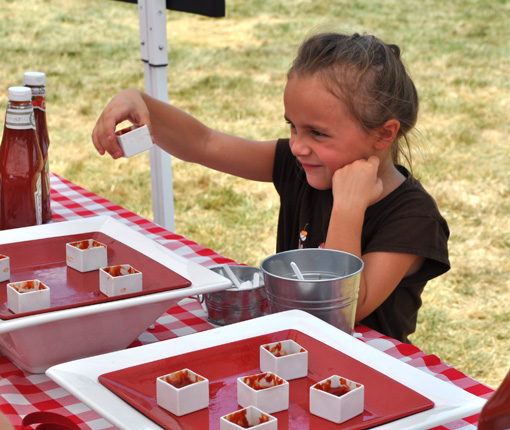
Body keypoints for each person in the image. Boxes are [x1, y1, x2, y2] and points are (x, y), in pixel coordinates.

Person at [92, 31, 450, 343]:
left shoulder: (414, 217)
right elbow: (205, 144)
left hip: (367, 381)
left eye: (318, 133)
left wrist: (348, 208)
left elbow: (342, 313)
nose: (297, 145)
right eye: (293, 126)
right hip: (291, 353)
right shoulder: (302, 165)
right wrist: (139, 101)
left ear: (384, 133)